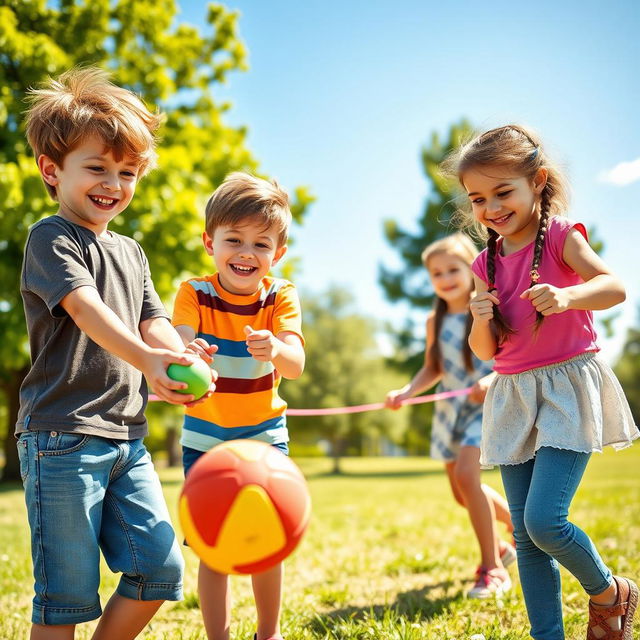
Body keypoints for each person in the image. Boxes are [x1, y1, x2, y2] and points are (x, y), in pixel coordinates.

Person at [16, 67, 214, 640]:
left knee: (159, 569)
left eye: (127, 172)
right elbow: (85, 309)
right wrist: (149, 361)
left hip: (127, 436)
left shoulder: (132, 251)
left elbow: (153, 319)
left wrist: (179, 353)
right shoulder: (50, 238)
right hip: (61, 436)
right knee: (67, 596)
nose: (114, 183)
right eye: (97, 168)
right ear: (52, 171)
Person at [445, 123, 639, 639]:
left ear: (539, 182)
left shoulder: (559, 237)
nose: (491, 207)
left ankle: (609, 592)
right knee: (529, 543)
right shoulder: (484, 263)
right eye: (478, 198)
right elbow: (485, 351)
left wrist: (570, 296)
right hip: (513, 395)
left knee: (543, 522)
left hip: (566, 391)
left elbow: (614, 286)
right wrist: (481, 317)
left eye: (503, 191)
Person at [172, 172, 305, 640]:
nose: (246, 253)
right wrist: (189, 355)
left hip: (264, 438)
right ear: (210, 242)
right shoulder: (194, 293)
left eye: (261, 244)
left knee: (268, 544)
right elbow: (181, 343)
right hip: (205, 441)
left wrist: (276, 348)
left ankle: (268, 633)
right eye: (234, 240)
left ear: (278, 253)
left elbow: (295, 365)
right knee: (215, 549)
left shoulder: (280, 296)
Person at [385, 233, 515, 598]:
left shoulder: (490, 307)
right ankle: (509, 541)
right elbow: (433, 367)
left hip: (484, 406)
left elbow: (511, 357)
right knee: (462, 492)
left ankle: (492, 569)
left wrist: (491, 379)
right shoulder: (434, 320)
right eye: (436, 273)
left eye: (452, 269)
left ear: (472, 267)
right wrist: (407, 392)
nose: (445, 278)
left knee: (467, 476)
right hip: (448, 409)